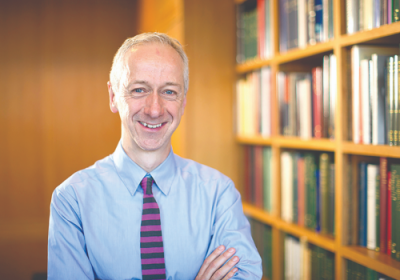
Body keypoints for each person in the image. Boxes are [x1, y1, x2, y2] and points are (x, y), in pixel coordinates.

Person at [47, 32, 262, 280]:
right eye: (139, 89)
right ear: (113, 96)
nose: (154, 109)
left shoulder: (218, 193)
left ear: (183, 102)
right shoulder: (72, 199)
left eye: (169, 92)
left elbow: (244, 275)